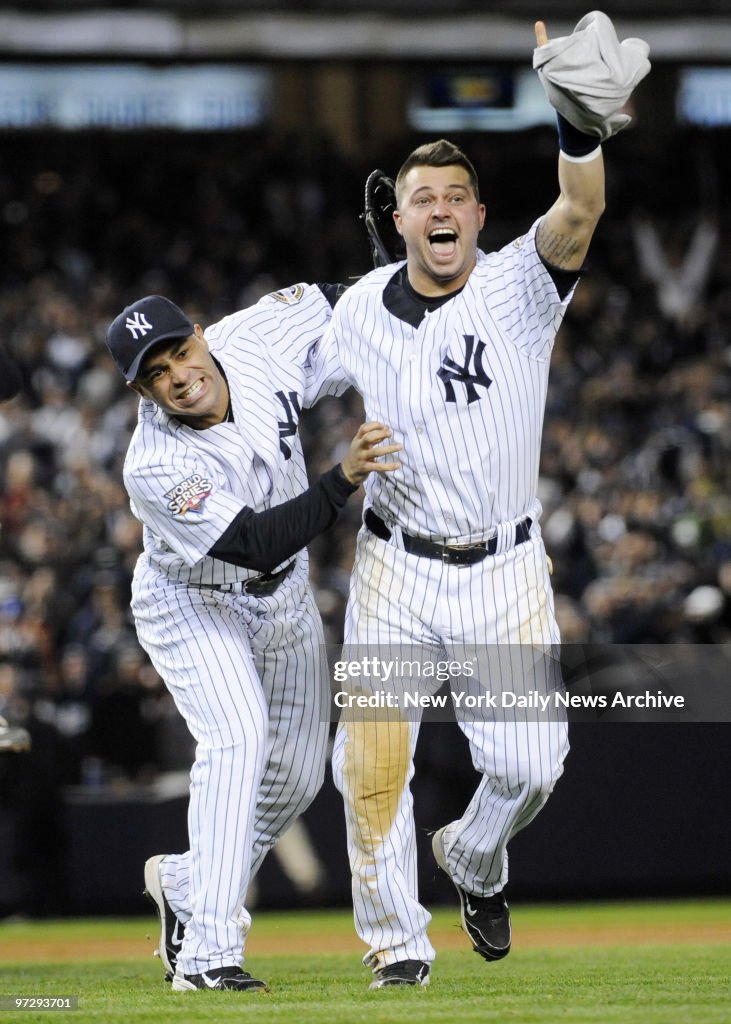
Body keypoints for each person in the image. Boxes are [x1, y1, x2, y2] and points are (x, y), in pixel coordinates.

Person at [315, 16, 648, 989]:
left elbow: (578, 213)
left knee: (533, 767)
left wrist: (576, 130)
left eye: (455, 194)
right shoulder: (357, 309)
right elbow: (291, 373)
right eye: (422, 197)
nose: (440, 206)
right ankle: (395, 945)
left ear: (478, 211)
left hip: (502, 571)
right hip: (392, 564)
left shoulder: (516, 286)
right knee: (369, 768)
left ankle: (471, 854)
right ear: (405, 217)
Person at [105, 285, 400, 993]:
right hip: (194, 600)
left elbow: (335, 296)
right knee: (236, 738)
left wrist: (396, 281)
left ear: (201, 333)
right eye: (156, 373)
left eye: (179, 351)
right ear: (141, 391)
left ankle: (187, 882)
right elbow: (252, 543)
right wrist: (343, 478)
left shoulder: (255, 333)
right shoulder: (154, 464)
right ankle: (206, 955)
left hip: (286, 597)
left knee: (295, 777)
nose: (177, 375)